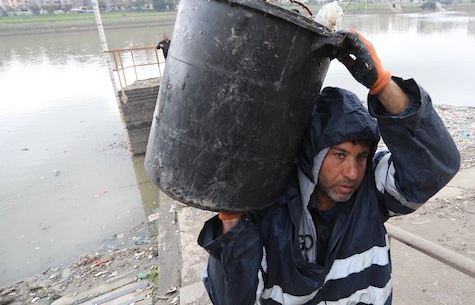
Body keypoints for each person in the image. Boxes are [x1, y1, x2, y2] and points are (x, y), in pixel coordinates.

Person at [197, 29, 461, 304]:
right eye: (339, 155)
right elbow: (233, 298)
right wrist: (231, 215)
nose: (352, 173)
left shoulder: (372, 190)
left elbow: (435, 166)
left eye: (361, 157)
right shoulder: (267, 209)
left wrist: (382, 84)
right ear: (312, 153)